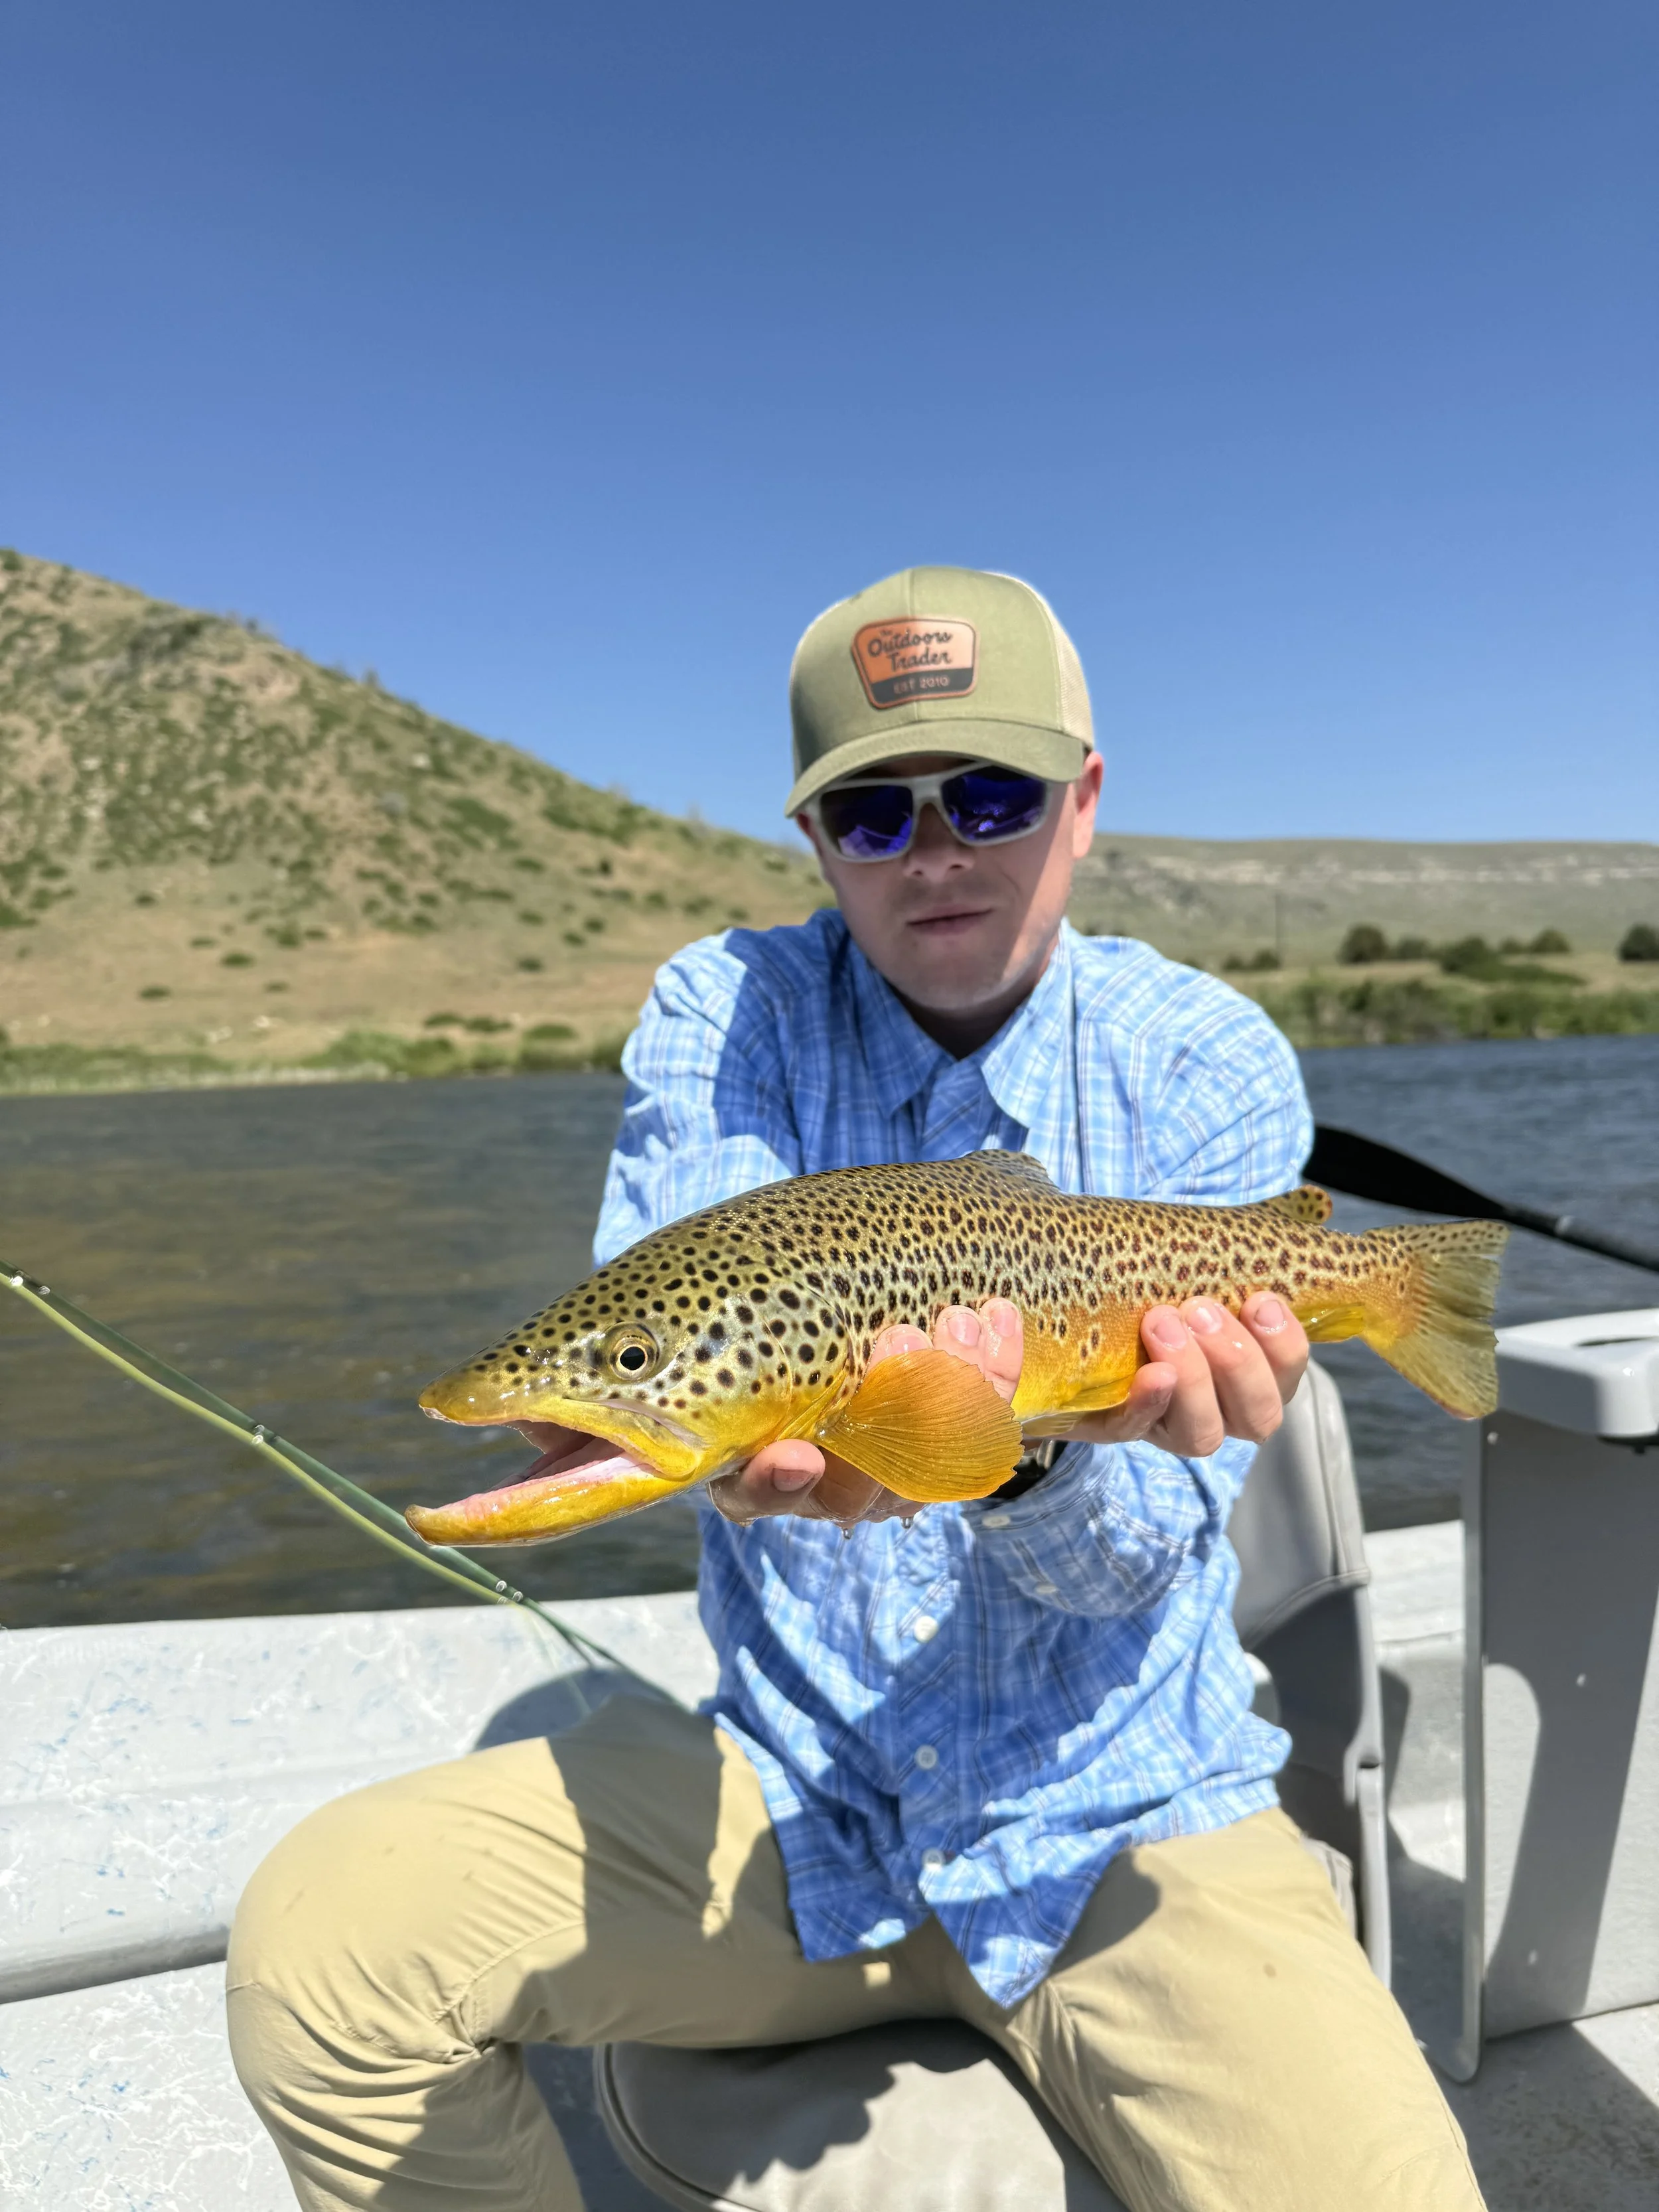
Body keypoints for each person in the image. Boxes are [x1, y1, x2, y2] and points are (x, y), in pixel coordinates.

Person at [228, 567, 1484, 2212]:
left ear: (1082, 802)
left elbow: (1131, 1564)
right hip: (793, 1802)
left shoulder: (1203, 1059)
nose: (936, 848)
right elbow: (705, 1297)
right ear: (816, 840)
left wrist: (1016, 1455)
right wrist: (719, 1426)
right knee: (319, 1952)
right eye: (873, 814)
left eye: (987, 794)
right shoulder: (725, 1009)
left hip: (1120, 1807)